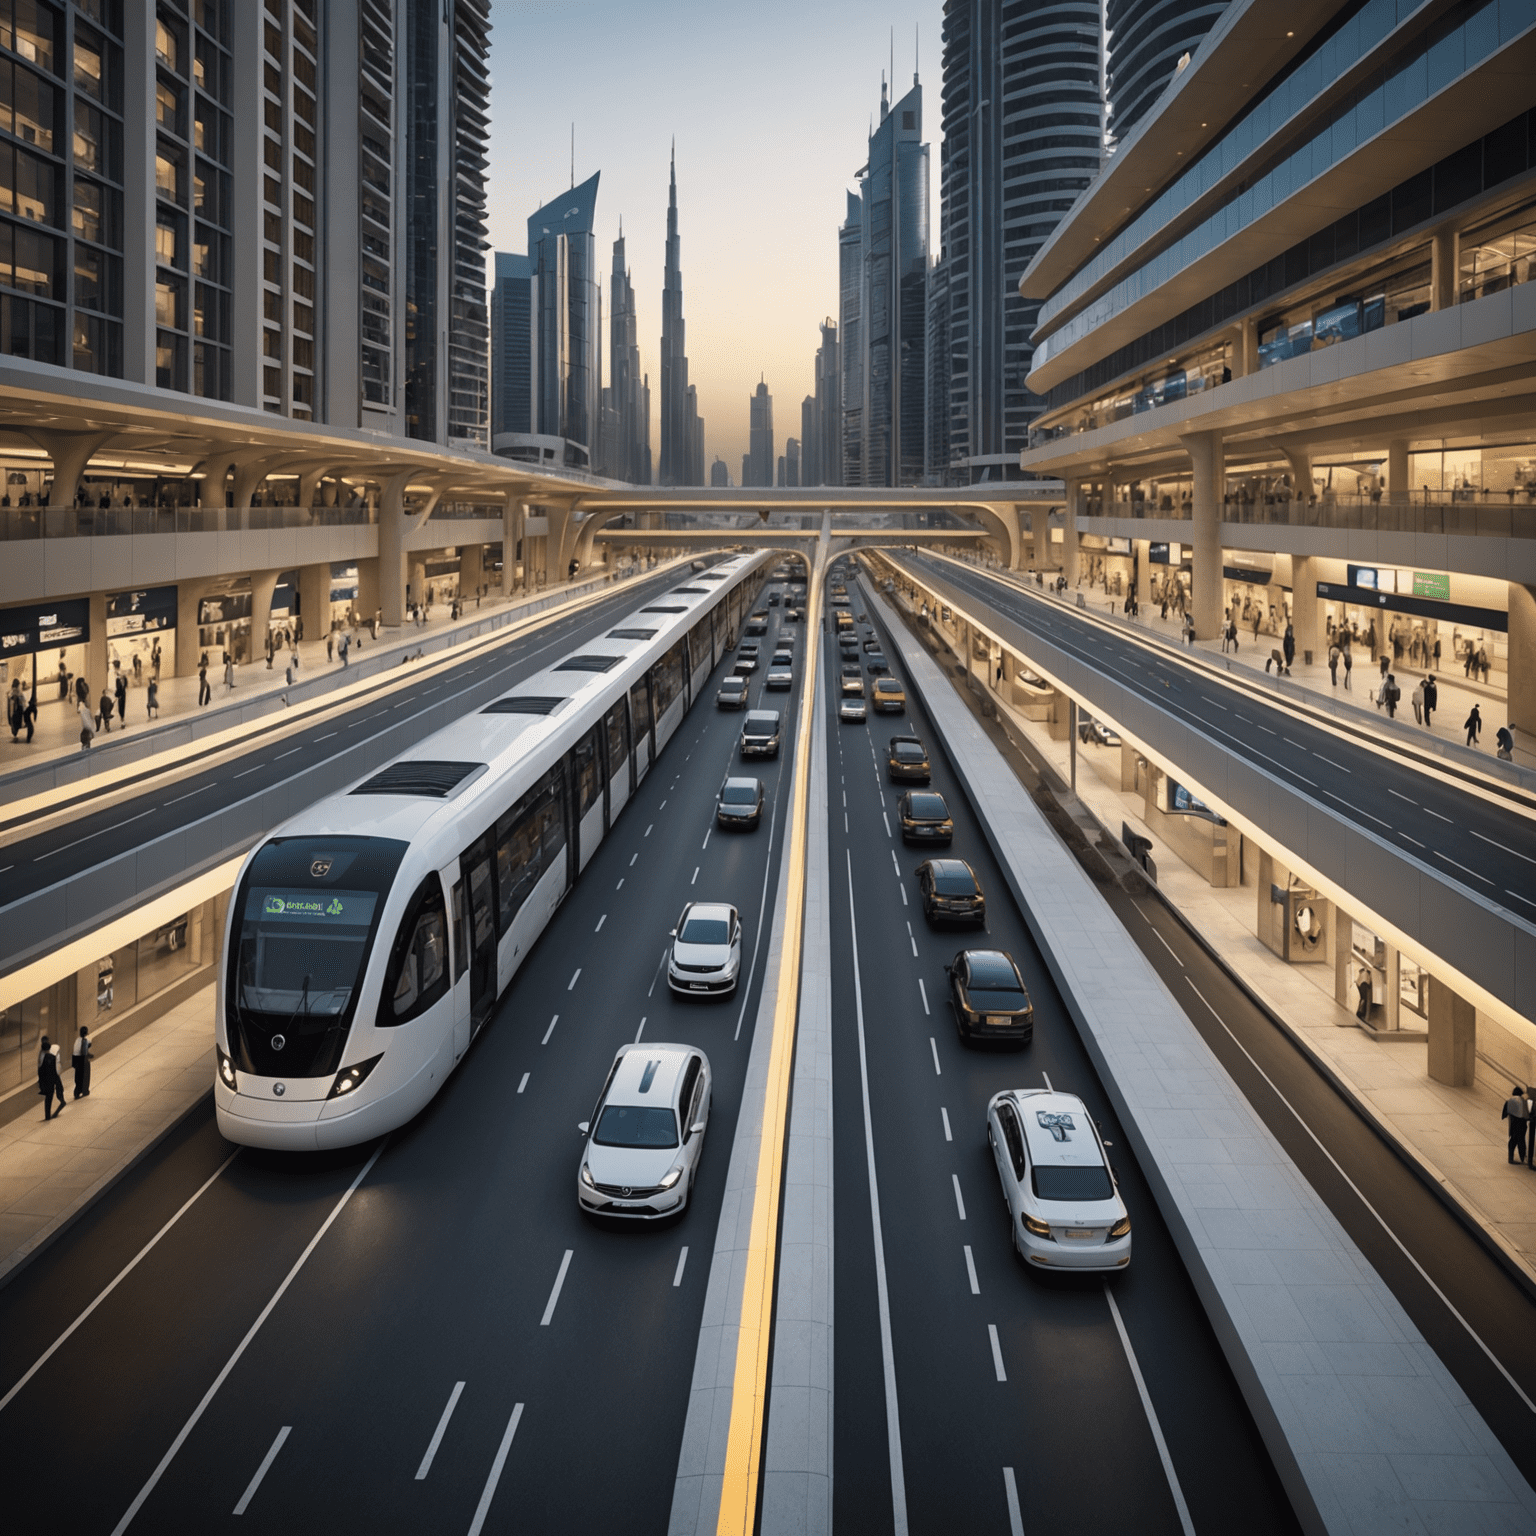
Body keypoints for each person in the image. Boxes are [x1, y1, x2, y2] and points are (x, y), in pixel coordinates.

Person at [37, 1034, 65, 1119]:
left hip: (47, 1080)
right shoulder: (53, 1056)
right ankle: (61, 1101)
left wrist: (40, 1082)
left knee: (48, 1099)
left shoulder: (41, 1057)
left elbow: (40, 1071)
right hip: (53, 1079)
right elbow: (56, 1069)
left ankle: (47, 1116)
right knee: (53, 1095)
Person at [1503, 1086, 1531, 1166]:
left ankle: (1510, 1158)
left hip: (1513, 1124)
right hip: (1521, 1124)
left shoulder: (1509, 1100)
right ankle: (1523, 1159)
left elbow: (1505, 1113)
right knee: (1521, 1141)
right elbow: (1526, 1115)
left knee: (1513, 1140)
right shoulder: (1522, 1101)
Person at [71, 1025, 92, 1099]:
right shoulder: (85, 1041)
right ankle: (84, 1090)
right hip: (81, 1060)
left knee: (78, 1076)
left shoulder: (77, 1040)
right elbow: (84, 1052)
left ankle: (77, 1092)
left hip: (75, 1059)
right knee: (85, 1075)